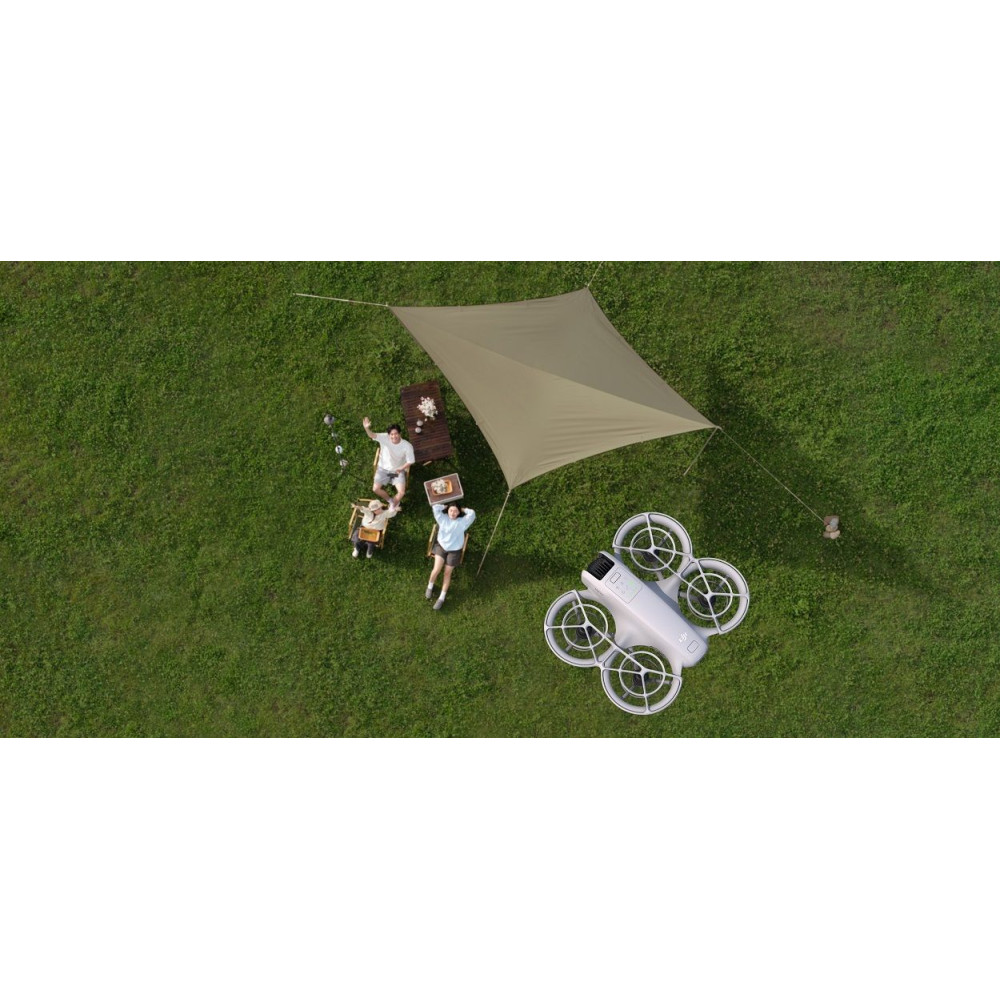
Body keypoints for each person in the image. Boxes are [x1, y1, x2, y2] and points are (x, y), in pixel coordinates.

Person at [426, 501, 476, 610]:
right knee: (436, 569)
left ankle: (441, 598)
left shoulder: (462, 522)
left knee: (447, 573)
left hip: (454, 551)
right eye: (451, 510)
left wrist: (462, 509)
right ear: (447, 511)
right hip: (441, 547)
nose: (453, 513)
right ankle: (430, 586)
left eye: (455, 511)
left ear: (459, 513)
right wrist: (446, 506)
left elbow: (472, 513)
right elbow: (435, 507)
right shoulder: (442, 518)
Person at [362, 416, 414, 509]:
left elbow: (411, 461)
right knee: (375, 489)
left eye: (396, 433)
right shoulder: (384, 437)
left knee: (401, 492)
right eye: (391, 434)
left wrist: (401, 468)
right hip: (383, 469)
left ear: (400, 433)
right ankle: (390, 500)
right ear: (388, 434)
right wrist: (366, 428)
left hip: (396, 471)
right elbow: (372, 435)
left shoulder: (407, 446)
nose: (394, 436)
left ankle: (393, 504)